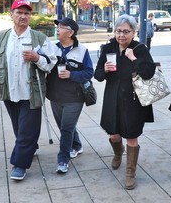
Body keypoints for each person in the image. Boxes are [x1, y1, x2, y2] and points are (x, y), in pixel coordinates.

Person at [0, 0, 57, 181]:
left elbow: (51, 63)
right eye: (19, 12)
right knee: (19, 127)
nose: (23, 16)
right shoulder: (2, 37)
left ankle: (19, 164)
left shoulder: (39, 38)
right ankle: (30, 147)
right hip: (9, 91)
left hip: (31, 92)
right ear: (11, 15)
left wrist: (37, 58)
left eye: (27, 13)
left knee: (27, 129)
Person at [94, 14, 156, 189]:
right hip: (112, 98)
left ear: (134, 32)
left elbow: (148, 73)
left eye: (126, 31)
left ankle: (130, 172)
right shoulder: (108, 49)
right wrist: (104, 70)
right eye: (118, 31)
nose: (121, 35)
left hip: (133, 100)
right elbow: (97, 75)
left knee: (131, 137)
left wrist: (133, 59)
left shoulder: (140, 49)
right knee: (114, 134)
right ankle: (118, 152)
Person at [46, 18, 94, 174]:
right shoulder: (51, 47)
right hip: (55, 96)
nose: (57, 29)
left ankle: (63, 160)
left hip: (75, 97)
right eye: (57, 27)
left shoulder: (82, 50)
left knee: (66, 128)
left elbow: (89, 73)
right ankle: (77, 145)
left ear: (71, 32)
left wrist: (71, 74)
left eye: (61, 27)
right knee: (65, 126)